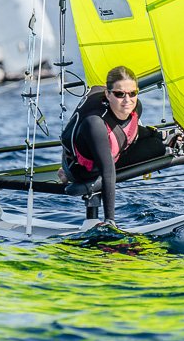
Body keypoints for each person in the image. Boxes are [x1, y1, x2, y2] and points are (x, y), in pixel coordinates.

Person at [60, 66, 171, 226]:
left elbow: (130, 130)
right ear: (108, 94)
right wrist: (110, 220)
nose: (127, 100)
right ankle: (64, 173)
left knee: (157, 147)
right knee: (105, 168)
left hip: (112, 153)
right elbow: (108, 171)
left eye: (132, 93)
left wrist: (163, 136)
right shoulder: (95, 124)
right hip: (84, 168)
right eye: (120, 94)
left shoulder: (135, 106)